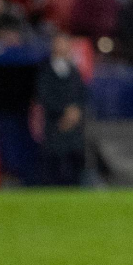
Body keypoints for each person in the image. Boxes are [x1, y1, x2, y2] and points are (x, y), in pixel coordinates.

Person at [34, 30, 89, 186]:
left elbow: (82, 93)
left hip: (74, 125)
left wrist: (76, 111)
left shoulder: (74, 70)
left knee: (75, 160)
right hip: (55, 123)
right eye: (58, 42)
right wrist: (63, 112)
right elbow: (44, 95)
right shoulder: (45, 69)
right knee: (54, 161)